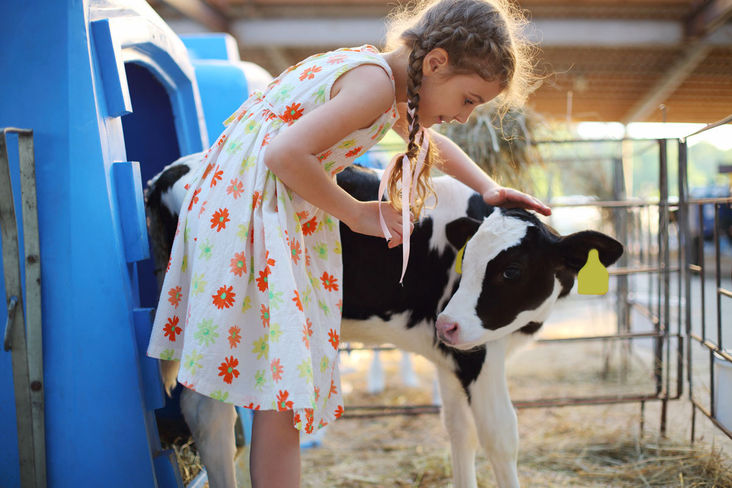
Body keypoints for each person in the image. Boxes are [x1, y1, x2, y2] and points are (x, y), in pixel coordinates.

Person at [147, 0, 551, 485]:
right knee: (283, 391)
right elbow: (283, 154)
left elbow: (430, 144)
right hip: (259, 216)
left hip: (245, 210)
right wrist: (357, 213)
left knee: (280, 391)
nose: (465, 117)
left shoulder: (385, 81)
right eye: (468, 99)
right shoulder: (374, 85)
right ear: (436, 63)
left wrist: (487, 187)